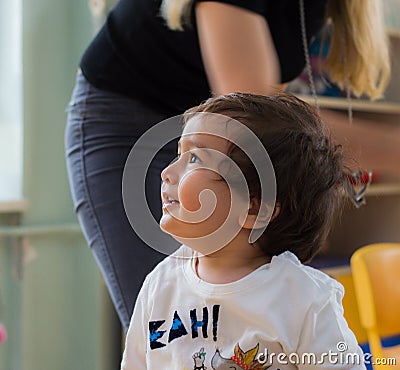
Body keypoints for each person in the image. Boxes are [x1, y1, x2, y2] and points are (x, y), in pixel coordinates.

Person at [65, 0, 392, 332]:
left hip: (211, 135)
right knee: (176, 323)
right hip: (128, 124)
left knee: (237, 318)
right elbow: (256, 122)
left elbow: (267, 126)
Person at [120, 92, 366, 370]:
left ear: (253, 210)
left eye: (195, 159)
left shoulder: (305, 300)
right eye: (179, 154)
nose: (166, 172)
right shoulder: (159, 285)